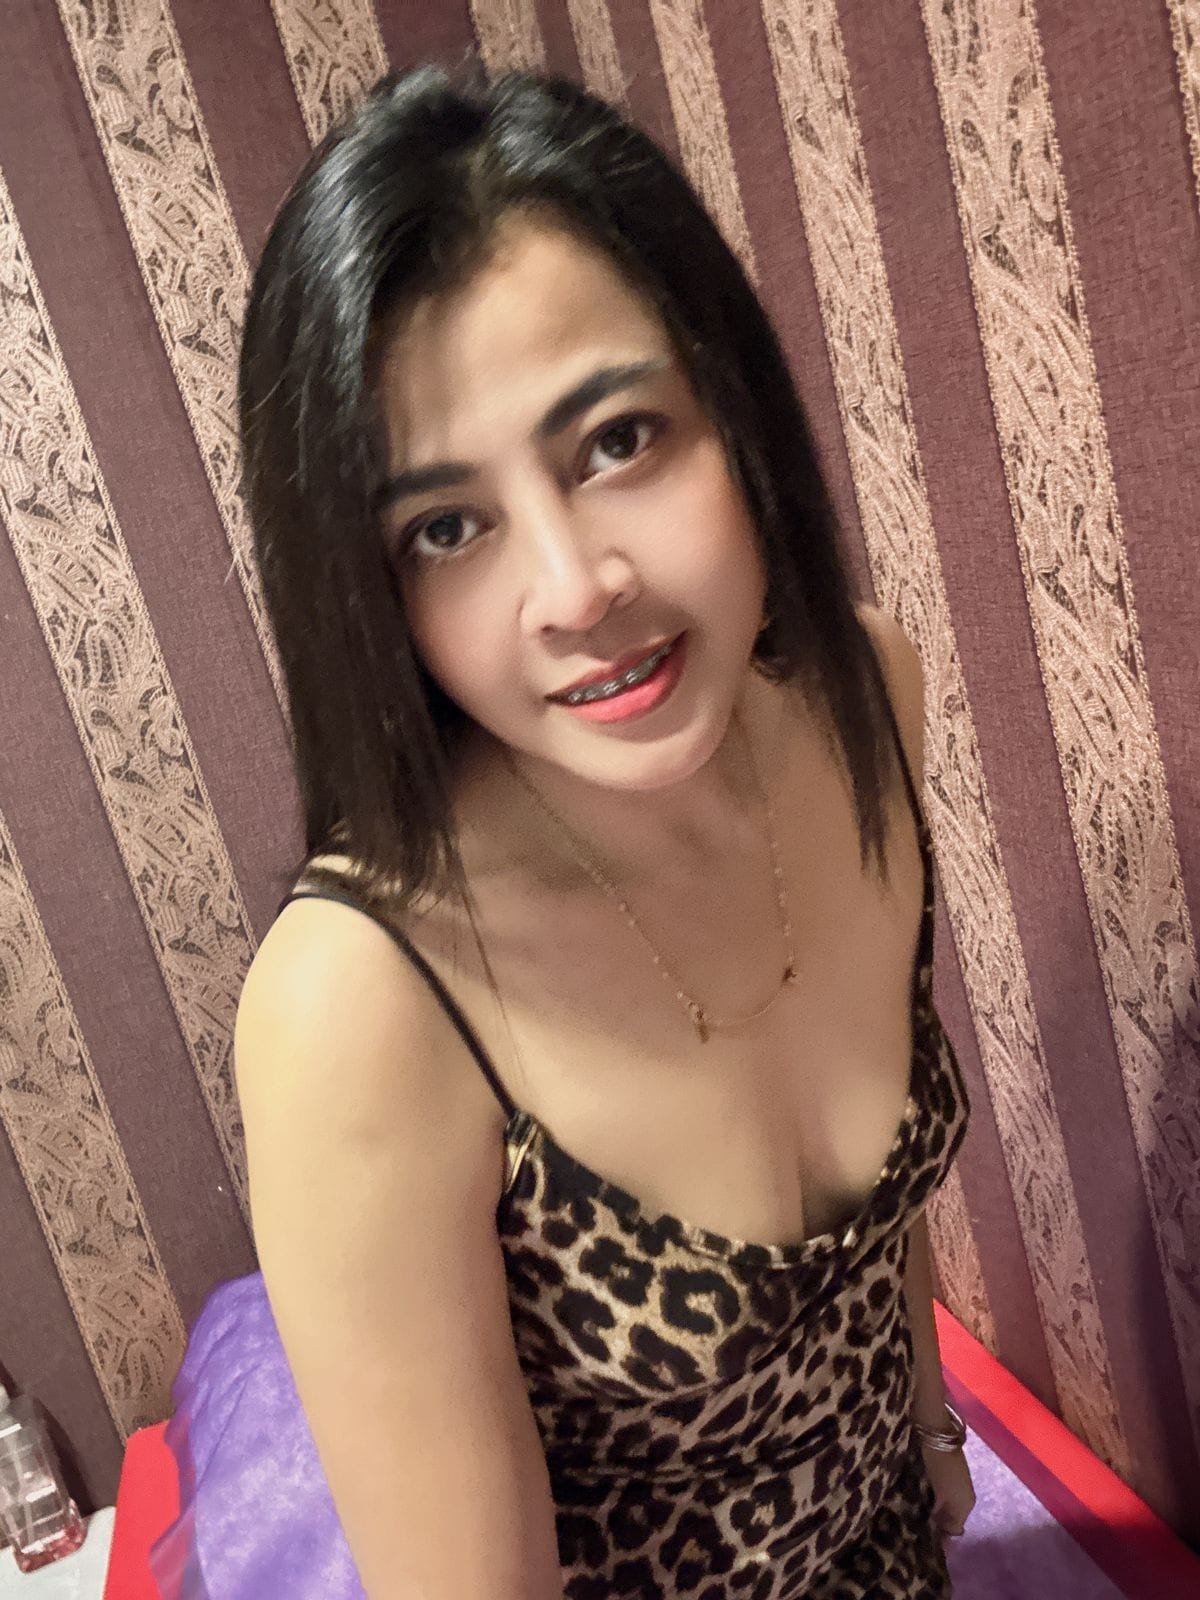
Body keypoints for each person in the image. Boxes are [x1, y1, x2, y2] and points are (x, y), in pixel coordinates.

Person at [152, 62, 975, 1600]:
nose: (575, 588)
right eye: (445, 527)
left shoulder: (869, 698)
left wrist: (933, 1443)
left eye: (618, 440)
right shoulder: (364, 1001)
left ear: (731, 403)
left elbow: (882, 1234)